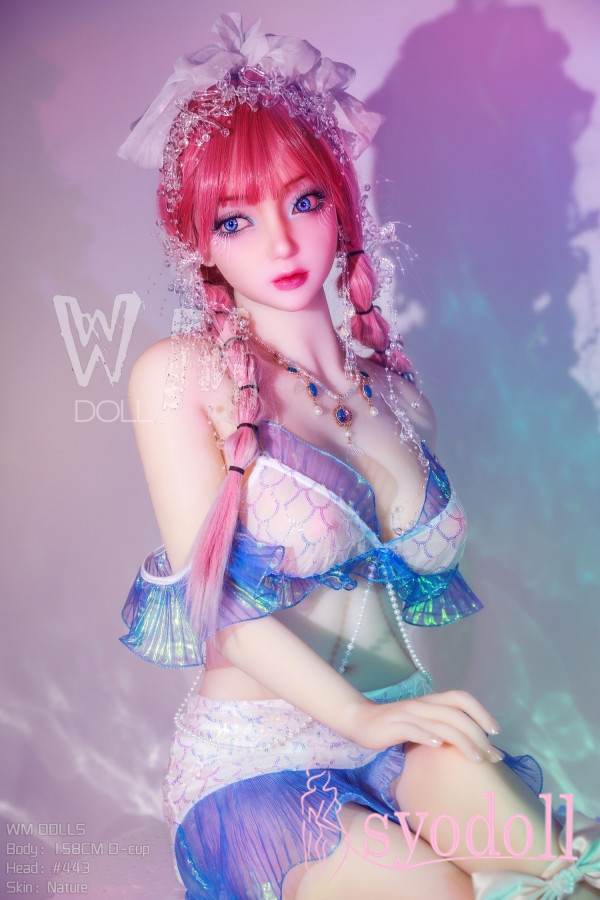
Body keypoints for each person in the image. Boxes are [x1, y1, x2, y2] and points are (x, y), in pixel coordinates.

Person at [118, 14, 600, 900]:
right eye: (237, 219)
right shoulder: (180, 377)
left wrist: (392, 718)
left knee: (569, 872)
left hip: (398, 722)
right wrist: (359, 718)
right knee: (439, 890)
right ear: (201, 243)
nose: (280, 242)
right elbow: (217, 605)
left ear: (341, 202)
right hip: (257, 759)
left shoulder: (400, 397)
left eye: (303, 201)